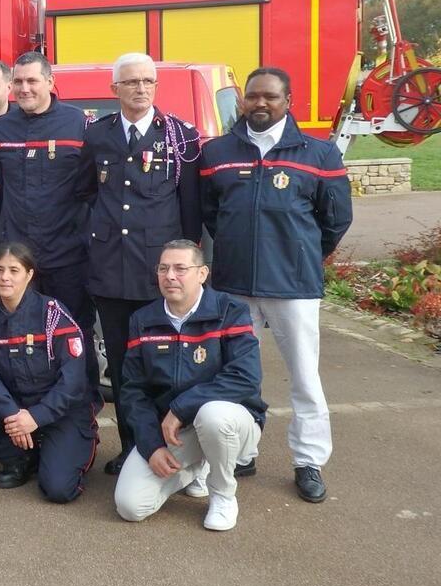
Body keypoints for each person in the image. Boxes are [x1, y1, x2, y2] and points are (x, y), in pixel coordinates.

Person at [199, 67, 352, 503]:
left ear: (289, 100)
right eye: (253, 97)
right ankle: (242, 448)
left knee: (304, 378)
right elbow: (213, 215)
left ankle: (308, 461)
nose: (260, 104)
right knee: (235, 375)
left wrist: (299, 253)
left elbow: (336, 221)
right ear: (243, 100)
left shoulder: (319, 155)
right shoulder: (218, 153)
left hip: (294, 287)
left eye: (270, 96)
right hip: (233, 285)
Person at [80, 51, 202, 476]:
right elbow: (85, 195)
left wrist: (191, 271)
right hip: (111, 272)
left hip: (160, 275)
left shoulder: (180, 137)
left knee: (166, 364)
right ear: (115, 89)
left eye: (148, 81)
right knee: (123, 366)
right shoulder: (98, 135)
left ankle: (177, 447)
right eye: (131, 82)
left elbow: (189, 210)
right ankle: (133, 448)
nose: (140, 89)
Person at [114, 240, 266, 532]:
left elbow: (245, 376)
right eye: (163, 268)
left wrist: (180, 409)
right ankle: (197, 465)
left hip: (232, 421)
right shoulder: (143, 320)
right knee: (130, 506)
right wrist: (152, 447)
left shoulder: (229, 311)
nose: (170, 276)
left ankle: (223, 494)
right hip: (175, 434)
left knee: (213, 416)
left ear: (202, 273)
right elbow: (134, 392)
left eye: (181, 268)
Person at [0, 52, 98, 392]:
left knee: (74, 333)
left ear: (50, 82)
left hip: (67, 254)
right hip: (20, 259)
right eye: (18, 81)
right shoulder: (2, 127)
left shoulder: (77, 123)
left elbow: (89, 187)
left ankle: (84, 403)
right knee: (23, 335)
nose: (24, 88)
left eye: (32, 80)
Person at [0, 243, 97, 503]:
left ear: (30, 275)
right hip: (16, 408)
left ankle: (64, 449)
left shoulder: (54, 316)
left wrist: (36, 416)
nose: (5, 277)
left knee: (58, 490)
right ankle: (22, 459)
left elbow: (73, 381)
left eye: (14, 270)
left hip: (60, 412)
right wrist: (13, 415)